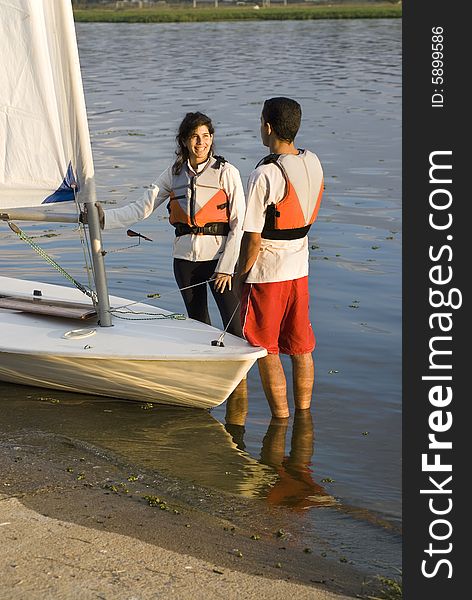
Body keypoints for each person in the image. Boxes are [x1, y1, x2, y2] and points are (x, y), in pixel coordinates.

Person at [93, 112, 245, 336]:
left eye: (205, 136)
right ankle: (205, 366)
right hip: (185, 263)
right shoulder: (173, 173)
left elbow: (239, 223)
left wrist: (226, 267)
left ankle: (240, 372)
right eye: (194, 136)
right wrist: (103, 218)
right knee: (199, 326)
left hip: (218, 261)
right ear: (184, 140)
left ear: (212, 138)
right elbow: (141, 208)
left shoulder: (226, 172)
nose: (200, 142)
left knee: (234, 328)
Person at [237, 97, 324, 418]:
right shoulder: (313, 161)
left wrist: (238, 274)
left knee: (266, 348)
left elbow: (253, 238)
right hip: (299, 271)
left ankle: (281, 419)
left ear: (268, 127)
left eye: (261, 121)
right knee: (301, 348)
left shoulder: (264, 174)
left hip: (267, 275)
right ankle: (304, 418)